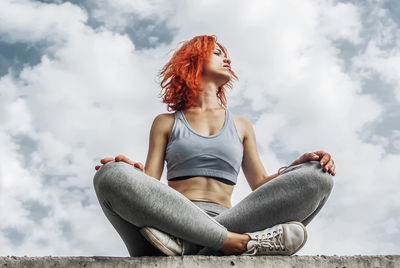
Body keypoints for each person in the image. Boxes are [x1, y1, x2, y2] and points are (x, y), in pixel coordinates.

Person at [92, 34, 336, 257]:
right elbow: (151, 182)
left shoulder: (241, 125)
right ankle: (239, 244)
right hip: (167, 227)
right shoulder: (165, 122)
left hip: (230, 220)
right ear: (194, 61)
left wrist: (295, 168)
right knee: (110, 174)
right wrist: (131, 173)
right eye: (217, 53)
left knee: (318, 175)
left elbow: (260, 184)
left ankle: (196, 244)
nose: (227, 59)